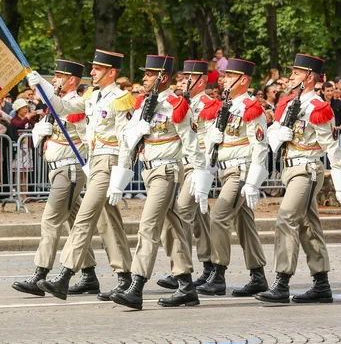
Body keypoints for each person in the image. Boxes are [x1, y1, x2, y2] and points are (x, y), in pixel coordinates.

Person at [28, 49, 135, 301]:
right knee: (109, 221)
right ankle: (125, 277)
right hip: (95, 162)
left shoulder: (120, 99)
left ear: (111, 72)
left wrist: (121, 177)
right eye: (93, 68)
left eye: (98, 69)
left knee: (85, 217)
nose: (93, 73)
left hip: (109, 163)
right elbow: (63, 106)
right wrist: (42, 84)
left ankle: (65, 275)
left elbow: (125, 141)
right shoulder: (93, 96)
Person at [108, 55, 212, 310]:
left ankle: (136, 285)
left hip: (166, 171)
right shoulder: (142, 104)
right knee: (173, 229)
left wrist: (201, 180)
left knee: (148, 227)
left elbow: (191, 145)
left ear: (162, 78)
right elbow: (127, 145)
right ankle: (186, 286)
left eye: (149, 75)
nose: (143, 78)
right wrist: (118, 180)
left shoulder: (177, 106)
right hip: (147, 171)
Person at [258, 54, 341, 304]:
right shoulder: (289, 103)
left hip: (307, 169)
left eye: (297, 73)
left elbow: (331, 146)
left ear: (309, 78)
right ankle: (321, 283)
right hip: (290, 169)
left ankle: (282, 282)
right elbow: (271, 133)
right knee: (308, 225)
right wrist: (278, 134)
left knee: (286, 218)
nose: (291, 76)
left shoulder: (318, 108)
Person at [13, 59, 101, 297]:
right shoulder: (59, 103)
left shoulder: (75, 104)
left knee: (50, 221)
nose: (54, 80)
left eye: (58, 76)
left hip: (69, 170)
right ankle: (89, 275)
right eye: (52, 76)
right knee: (74, 222)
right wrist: (38, 131)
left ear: (71, 79)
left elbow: (86, 137)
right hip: (58, 170)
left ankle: (40, 274)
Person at [197, 58, 269, 298]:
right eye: (224, 75)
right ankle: (258, 276)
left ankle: (218, 274)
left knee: (218, 216)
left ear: (244, 80)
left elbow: (259, 146)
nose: (223, 79)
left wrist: (253, 182)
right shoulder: (224, 106)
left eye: (229, 76)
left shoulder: (251, 107)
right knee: (244, 224)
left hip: (241, 170)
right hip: (225, 170)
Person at [157, 60, 218, 291]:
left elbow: (213, 138)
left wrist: (207, 171)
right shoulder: (181, 103)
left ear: (200, 81)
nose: (181, 81)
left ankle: (181, 271)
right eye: (181, 78)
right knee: (201, 217)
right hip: (181, 164)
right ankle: (209, 266)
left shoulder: (208, 104)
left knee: (180, 212)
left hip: (197, 166)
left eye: (187, 78)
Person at [11, 98, 37, 199]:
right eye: (23, 108)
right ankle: (17, 192)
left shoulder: (29, 119)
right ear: (18, 109)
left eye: (26, 107)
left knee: (25, 171)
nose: (26, 110)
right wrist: (28, 117)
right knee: (18, 171)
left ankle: (24, 192)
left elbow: (35, 125)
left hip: (27, 148)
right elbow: (18, 125)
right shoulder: (15, 119)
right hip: (19, 149)